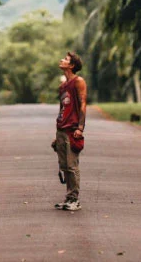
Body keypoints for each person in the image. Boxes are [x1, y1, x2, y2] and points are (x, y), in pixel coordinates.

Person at [52, 51, 87, 211]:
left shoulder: (78, 82)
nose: (61, 60)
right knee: (64, 166)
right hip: (61, 129)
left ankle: (75, 200)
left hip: (72, 129)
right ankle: (68, 198)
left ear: (72, 65)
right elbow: (62, 109)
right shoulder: (63, 86)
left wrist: (80, 128)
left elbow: (82, 104)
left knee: (72, 166)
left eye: (65, 59)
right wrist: (57, 135)